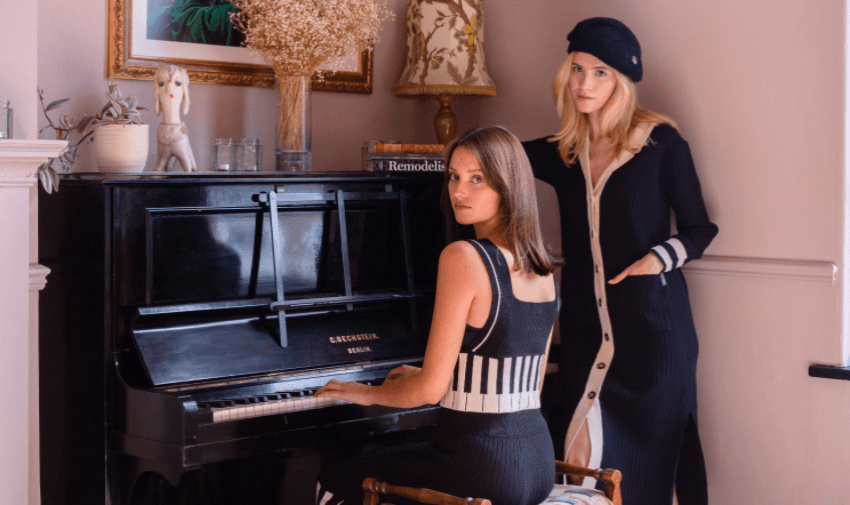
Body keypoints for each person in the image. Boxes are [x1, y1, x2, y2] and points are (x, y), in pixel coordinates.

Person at [522, 17, 718, 505]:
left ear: (623, 80)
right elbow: (491, 157)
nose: (585, 84)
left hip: (656, 341)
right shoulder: (562, 153)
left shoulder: (661, 145)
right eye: (577, 69)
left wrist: (658, 258)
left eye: (601, 72)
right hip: (587, 337)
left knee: (650, 477)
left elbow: (700, 229)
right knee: (579, 469)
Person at [314, 126, 563, 505]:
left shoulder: (464, 257)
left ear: (508, 185)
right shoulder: (543, 269)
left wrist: (364, 392)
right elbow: (520, 381)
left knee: (334, 479)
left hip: (480, 467)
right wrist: (435, 374)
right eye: (454, 177)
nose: (459, 192)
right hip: (537, 464)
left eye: (477, 179)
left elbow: (429, 391)